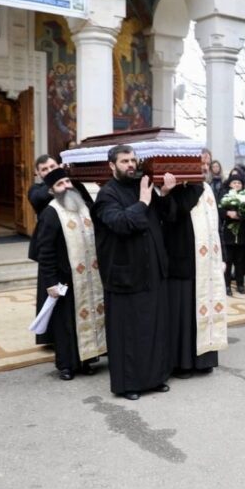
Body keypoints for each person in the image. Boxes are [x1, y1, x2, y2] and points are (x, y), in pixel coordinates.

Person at [92, 145, 173, 400]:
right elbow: (121, 224)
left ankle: (156, 377)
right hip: (125, 274)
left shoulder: (144, 185)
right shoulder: (106, 194)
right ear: (112, 165)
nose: (131, 165)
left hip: (152, 272)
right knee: (129, 332)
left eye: (133, 160)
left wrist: (166, 193)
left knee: (154, 327)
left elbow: (167, 217)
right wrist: (142, 202)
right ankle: (129, 384)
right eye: (125, 160)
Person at [35, 168, 106, 380]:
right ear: (51, 190)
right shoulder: (51, 212)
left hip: (89, 277)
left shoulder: (83, 207)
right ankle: (66, 365)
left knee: (90, 317)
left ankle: (86, 360)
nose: (66, 186)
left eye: (67, 181)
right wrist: (50, 282)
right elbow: (45, 251)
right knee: (66, 324)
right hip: (65, 278)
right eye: (60, 184)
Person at [162, 180, 224, 379]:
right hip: (180, 260)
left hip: (205, 264)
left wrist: (222, 257)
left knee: (203, 309)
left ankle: (204, 360)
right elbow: (170, 215)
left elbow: (215, 224)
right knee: (182, 313)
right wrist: (167, 191)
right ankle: (182, 363)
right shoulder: (171, 187)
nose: (203, 167)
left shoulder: (206, 187)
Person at [219, 169, 245, 296]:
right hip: (228, 234)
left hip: (242, 233)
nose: (237, 185)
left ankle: (240, 284)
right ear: (230, 184)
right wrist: (228, 213)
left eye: (239, 183)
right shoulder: (225, 196)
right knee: (228, 260)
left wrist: (240, 215)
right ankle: (227, 285)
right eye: (234, 183)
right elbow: (219, 212)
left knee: (240, 261)